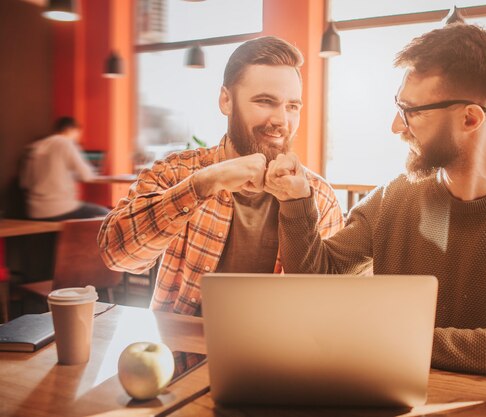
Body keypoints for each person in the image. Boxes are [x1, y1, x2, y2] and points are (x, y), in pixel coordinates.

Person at [264, 24, 486, 383]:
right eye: (398, 107)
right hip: (392, 397)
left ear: (470, 118)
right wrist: (295, 200)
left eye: (412, 111)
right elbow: (315, 280)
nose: (395, 126)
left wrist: (401, 339)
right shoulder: (394, 197)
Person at [98, 36, 344, 316]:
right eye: (265, 101)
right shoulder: (178, 172)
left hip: (278, 355)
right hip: (181, 353)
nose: (281, 120)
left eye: (292, 106)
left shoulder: (318, 196)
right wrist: (203, 184)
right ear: (226, 100)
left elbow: (327, 304)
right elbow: (117, 255)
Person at [20, 116, 110, 220]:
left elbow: (25, 183)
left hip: (34, 210)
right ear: (71, 130)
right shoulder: (65, 143)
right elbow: (87, 175)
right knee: (106, 215)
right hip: (59, 208)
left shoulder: (35, 147)